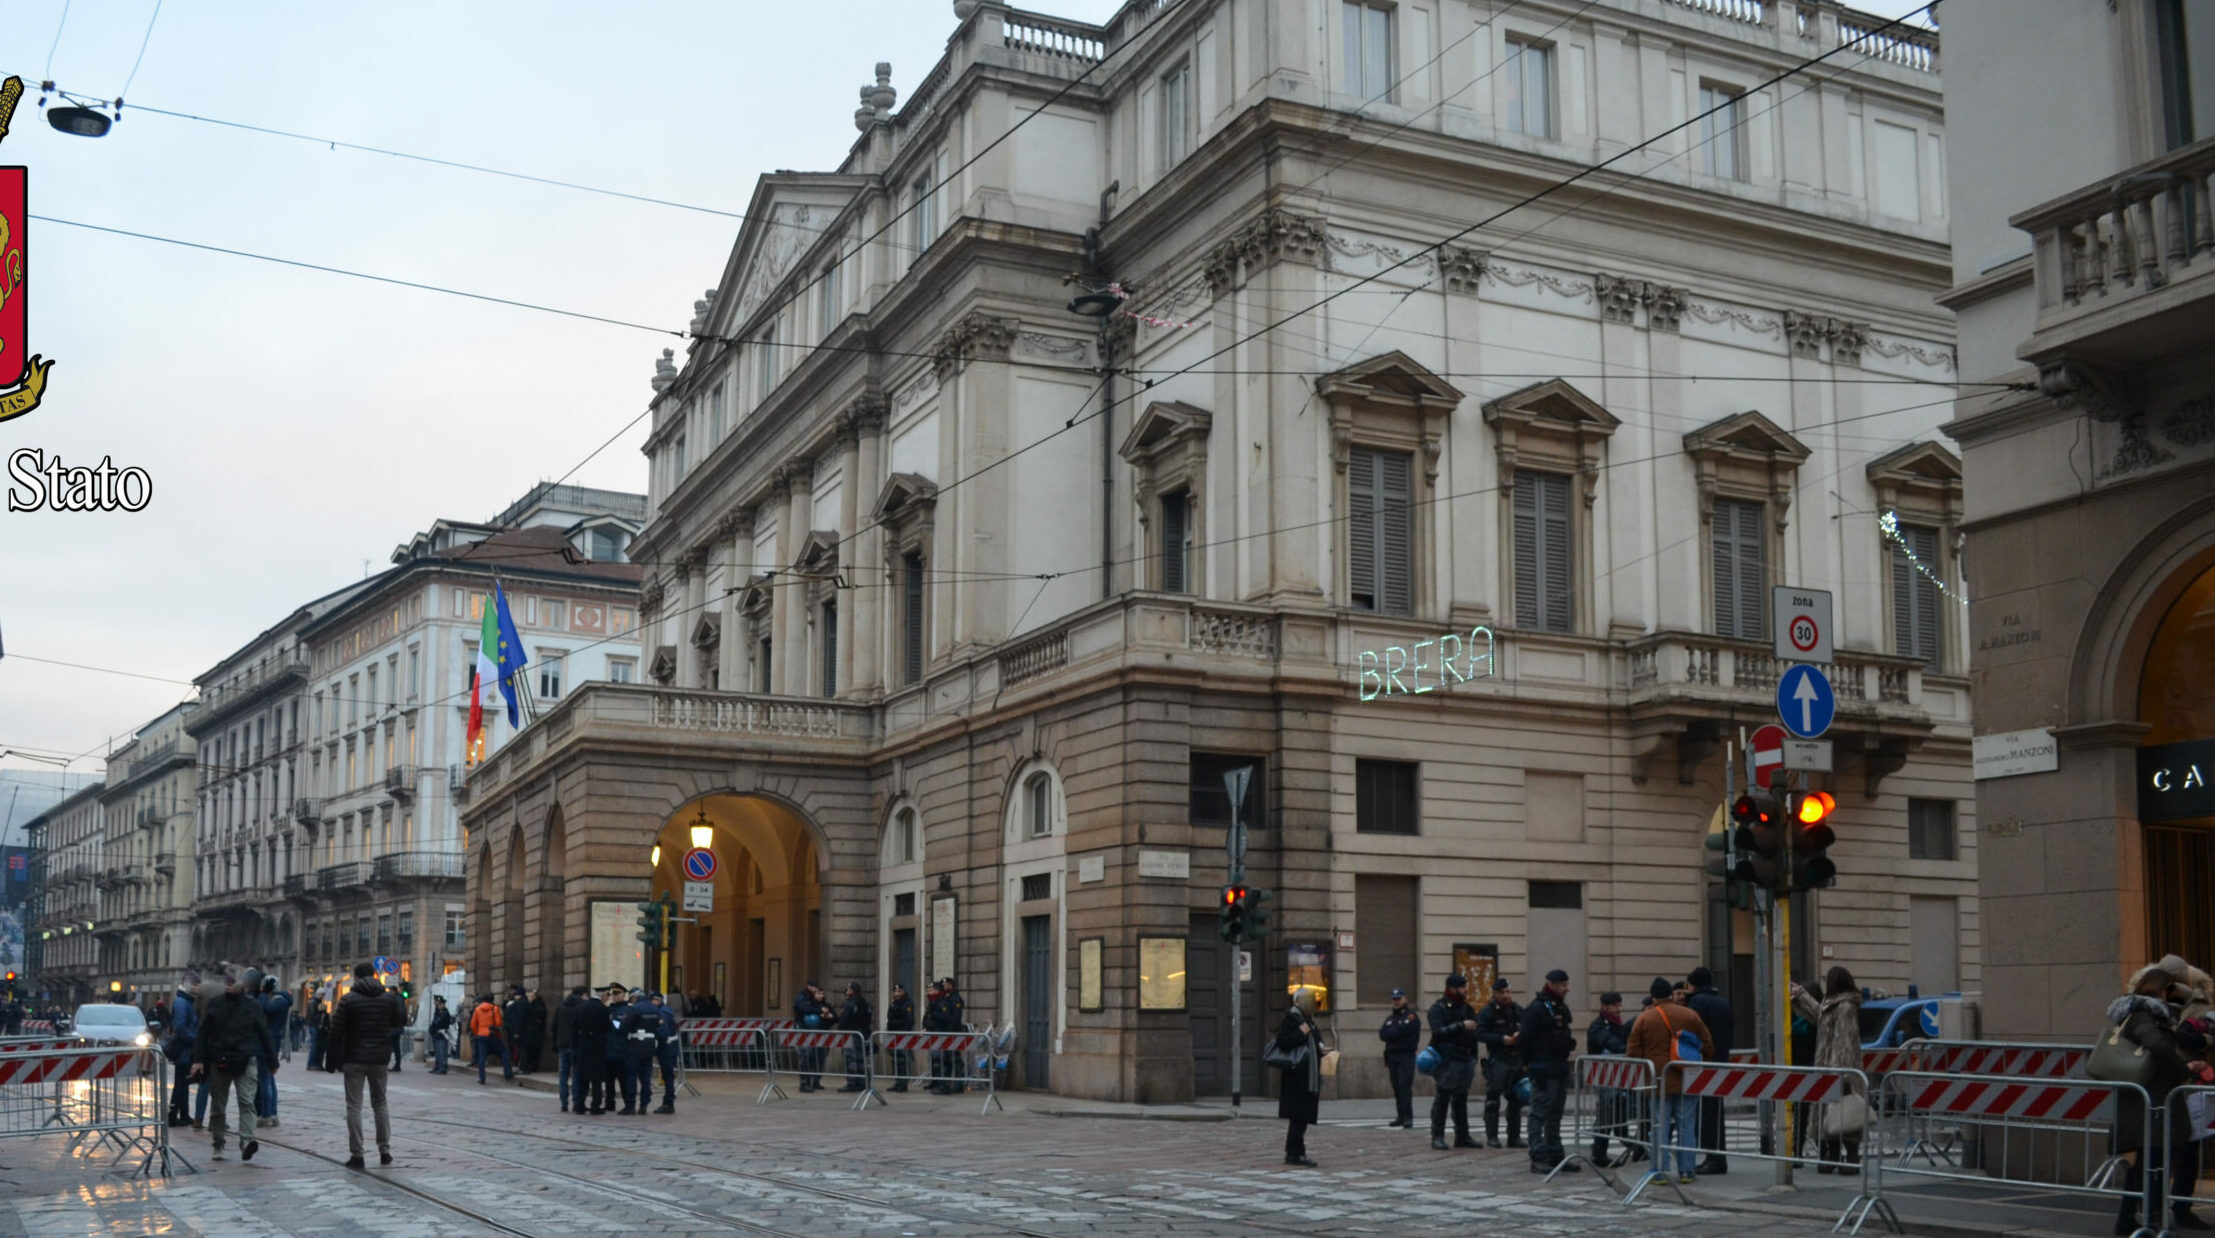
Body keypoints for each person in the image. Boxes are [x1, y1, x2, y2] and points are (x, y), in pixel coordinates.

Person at [2099, 957, 2198, 1236]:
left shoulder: (2148, 1014)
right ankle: (2148, 1219)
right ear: (2160, 989)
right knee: (2153, 1161)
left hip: (2150, 1098)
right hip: (2152, 1100)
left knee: (2148, 1162)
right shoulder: (2144, 1015)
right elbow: (2155, 1043)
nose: (2174, 995)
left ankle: (2136, 1219)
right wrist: (2182, 1069)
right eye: (2171, 989)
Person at [1627, 976, 1715, 1186]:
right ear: (1670, 994)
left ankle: (1659, 1171)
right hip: (1687, 1077)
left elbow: (1633, 1051)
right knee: (1686, 1125)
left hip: (1657, 1080)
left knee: (1659, 1125)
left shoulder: (1645, 1018)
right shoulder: (1689, 1014)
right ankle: (1686, 1170)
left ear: (1652, 996)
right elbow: (1707, 1044)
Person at [192, 969, 277, 1163]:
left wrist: (273, 1060)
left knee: (247, 1102)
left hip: (245, 1059)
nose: (230, 985)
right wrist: (198, 1060)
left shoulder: (253, 1005)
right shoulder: (215, 1004)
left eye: (234, 982)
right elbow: (203, 1034)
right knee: (218, 1105)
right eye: (228, 982)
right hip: (218, 1060)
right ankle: (218, 1143)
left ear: (244, 985)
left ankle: (247, 1141)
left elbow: (264, 1033)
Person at [1788, 966, 1867, 1177]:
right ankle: (1831, 1156)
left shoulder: (1846, 1007)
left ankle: (1851, 1156)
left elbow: (1845, 1041)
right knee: (1828, 1117)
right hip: (1828, 1070)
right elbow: (1817, 1014)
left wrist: (1838, 1071)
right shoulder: (1832, 1005)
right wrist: (1800, 995)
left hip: (1839, 1070)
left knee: (1846, 1115)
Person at [324, 962, 403, 1169]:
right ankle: (385, 1151)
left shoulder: (348, 1000)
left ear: (356, 978)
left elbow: (335, 1031)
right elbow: (399, 1023)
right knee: (380, 1103)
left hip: (354, 1058)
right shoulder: (389, 999)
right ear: (375, 975)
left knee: (354, 1106)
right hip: (379, 1059)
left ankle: (357, 1155)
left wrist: (330, 1062)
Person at [1521, 968, 1579, 1174]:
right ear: (1552, 985)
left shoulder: (1560, 1008)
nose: (1567, 989)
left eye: (1567, 984)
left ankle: (1555, 1155)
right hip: (1543, 1068)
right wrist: (1527, 1064)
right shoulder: (1537, 1008)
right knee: (1539, 1113)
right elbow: (1524, 1038)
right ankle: (1538, 1156)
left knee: (1556, 1114)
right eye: (1563, 985)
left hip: (1559, 1067)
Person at [1685, 967, 1735, 1174]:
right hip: (1721, 1061)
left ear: (1693, 984)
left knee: (1706, 1113)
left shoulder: (1697, 1002)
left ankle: (1713, 1158)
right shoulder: (1723, 1001)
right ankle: (1717, 1156)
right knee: (1715, 1112)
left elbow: (1692, 1031)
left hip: (1704, 1063)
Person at [1426, 974, 1481, 1150]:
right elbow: (1438, 1031)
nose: (1466, 990)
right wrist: (1460, 1026)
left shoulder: (1467, 1008)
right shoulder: (1439, 1008)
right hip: (1447, 1059)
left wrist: (1474, 1057)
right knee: (1443, 1097)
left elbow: (1474, 1033)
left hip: (1465, 1058)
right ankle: (1437, 1135)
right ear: (1452, 988)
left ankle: (1462, 1136)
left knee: (1461, 1098)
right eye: (1463, 987)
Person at [1274, 988, 1327, 1168]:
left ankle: (1293, 1152)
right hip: (1297, 1077)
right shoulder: (1293, 1019)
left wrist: (1323, 1049)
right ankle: (1297, 1153)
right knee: (1298, 1117)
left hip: (1308, 1076)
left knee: (1301, 1118)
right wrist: (1300, 1033)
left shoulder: (1309, 1020)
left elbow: (1316, 1041)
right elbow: (1283, 1041)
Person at [1586, 991, 1640, 1167]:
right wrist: (1627, 1050)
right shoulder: (1599, 1026)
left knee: (1617, 1113)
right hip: (1604, 1078)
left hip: (1619, 1077)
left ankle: (1631, 1145)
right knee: (1606, 1115)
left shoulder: (1618, 1024)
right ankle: (1599, 1153)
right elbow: (1609, 1042)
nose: (1619, 1009)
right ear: (1605, 1007)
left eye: (1619, 1005)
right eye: (1615, 1006)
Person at [1476, 977, 1525, 1148]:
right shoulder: (1488, 1012)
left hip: (1516, 1058)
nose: (1506, 995)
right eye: (1502, 992)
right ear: (1495, 994)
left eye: (1508, 991)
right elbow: (1480, 1033)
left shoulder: (1518, 1010)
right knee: (1493, 1099)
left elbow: (1527, 1028)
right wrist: (1500, 1039)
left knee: (1516, 1100)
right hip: (1498, 1058)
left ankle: (1514, 1137)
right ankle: (1492, 1136)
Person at [1378, 987, 1421, 1129]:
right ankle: (1400, 1116)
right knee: (1396, 1087)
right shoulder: (1391, 1018)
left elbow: (1401, 1031)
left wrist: (1394, 1032)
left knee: (1404, 1087)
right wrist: (1395, 1032)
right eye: (1394, 999)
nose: (1396, 1001)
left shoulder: (1410, 1017)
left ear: (1405, 999)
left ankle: (1408, 1117)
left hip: (1406, 1056)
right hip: (1392, 1056)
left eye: (1399, 999)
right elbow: (1383, 1034)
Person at [254, 974, 292, 1127]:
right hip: (269, 1042)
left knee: (265, 1079)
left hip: (268, 1043)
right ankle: (273, 1113)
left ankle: (267, 1114)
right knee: (269, 1079)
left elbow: (266, 1009)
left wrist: (262, 994)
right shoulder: (280, 999)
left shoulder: (279, 1001)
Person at [165, 973, 200, 1127]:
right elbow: (180, 1027)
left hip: (187, 1048)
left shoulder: (186, 1001)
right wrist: (194, 1040)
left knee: (183, 1082)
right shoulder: (181, 1002)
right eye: (195, 984)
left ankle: (182, 1114)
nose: (197, 988)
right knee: (181, 1082)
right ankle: (173, 1115)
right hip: (184, 1049)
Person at [573, 985, 612, 1116]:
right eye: (607, 995)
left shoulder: (581, 1007)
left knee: (582, 1077)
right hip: (597, 1045)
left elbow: (575, 1025)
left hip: (583, 1045)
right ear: (603, 995)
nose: (607, 998)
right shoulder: (603, 1009)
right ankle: (595, 1105)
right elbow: (607, 1027)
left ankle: (579, 1105)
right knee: (597, 1078)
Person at [619, 989, 660, 1113]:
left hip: (635, 1046)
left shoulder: (634, 1009)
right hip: (649, 1046)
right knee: (646, 1078)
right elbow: (658, 1026)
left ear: (635, 997)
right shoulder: (654, 1008)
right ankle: (644, 1105)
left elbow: (623, 1028)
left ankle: (630, 1106)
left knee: (631, 1077)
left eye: (631, 998)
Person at [647, 993, 682, 1114]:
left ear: (656, 1001)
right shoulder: (665, 1011)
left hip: (666, 1048)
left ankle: (668, 1103)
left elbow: (663, 1033)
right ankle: (668, 1102)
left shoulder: (662, 1013)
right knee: (668, 1076)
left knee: (668, 1076)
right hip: (669, 1047)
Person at [837, 982, 873, 1093]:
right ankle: (863, 1083)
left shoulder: (850, 1003)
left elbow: (843, 1020)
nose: (847, 991)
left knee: (851, 1059)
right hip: (863, 1034)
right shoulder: (865, 1003)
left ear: (852, 990)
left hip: (851, 1034)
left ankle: (851, 1083)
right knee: (861, 1059)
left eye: (848, 989)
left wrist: (841, 1031)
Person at [604, 986, 635, 1112]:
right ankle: (610, 1103)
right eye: (613, 994)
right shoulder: (608, 1009)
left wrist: (612, 1022)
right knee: (608, 1081)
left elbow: (622, 1028)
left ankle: (628, 1104)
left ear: (624, 995)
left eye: (617, 993)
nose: (615, 996)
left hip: (622, 1050)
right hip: (608, 1049)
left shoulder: (627, 1010)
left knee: (623, 1080)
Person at [470, 993, 511, 1084]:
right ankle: (508, 1073)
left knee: (482, 1056)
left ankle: (482, 1078)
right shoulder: (495, 1008)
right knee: (503, 1052)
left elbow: (473, 1024)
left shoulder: (477, 1009)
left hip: (481, 1035)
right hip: (492, 1034)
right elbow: (499, 1023)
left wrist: (478, 1032)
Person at [552, 987, 583, 1109]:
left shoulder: (561, 1007)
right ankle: (576, 1101)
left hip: (562, 1044)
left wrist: (555, 1042)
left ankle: (563, 1102)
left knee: (563, 1074)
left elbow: (554, 1026)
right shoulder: (579, 1008)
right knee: (576, 1073)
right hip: (575, 1045)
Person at [885, 982, 916, 1092]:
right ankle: (897, 1082)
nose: (896, 993)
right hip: (893, 1035)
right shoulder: (893, 1004)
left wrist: (899, 1027)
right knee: (896, 1060)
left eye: (899, 991)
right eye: (895, 991)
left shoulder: (907, 1003)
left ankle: (903, 1084)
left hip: (902, 1035)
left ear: (903, 992)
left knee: (902, 1060)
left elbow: (909, 1021)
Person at [501, 986, 529, 1070]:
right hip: (513, 1028)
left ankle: (519, 1065)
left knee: (518, 1048)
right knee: (513, 1047)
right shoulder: (518, 1002)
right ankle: (516, 1063)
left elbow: (519, 1018)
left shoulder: (520, 1003)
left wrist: (516, 1030)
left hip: (516, 1029)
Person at [522, 988, 548, 1074]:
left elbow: (537, 1017)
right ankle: (528, 1066)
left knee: (533, 1051)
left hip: (536, 1032)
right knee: (530, 1050)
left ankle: (531, 1066)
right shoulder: (530, 1004)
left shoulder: (538, 1005)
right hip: (531, 1032)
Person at [427, 996, 454, 1074]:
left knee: (442, 1052)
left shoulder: (445, 1013)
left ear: (443, 1004)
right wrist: (431, 1029)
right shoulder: (437, 1012)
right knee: (437, 1052)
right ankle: (438, 1066)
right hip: (436, 1034)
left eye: (440, 1004)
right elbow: (434, 1022)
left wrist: (435, 1026)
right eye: (438, 1004)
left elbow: (440, 1023)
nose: (439, 1005)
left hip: (442, 1034)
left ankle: (443, 1068)